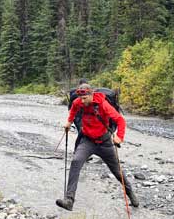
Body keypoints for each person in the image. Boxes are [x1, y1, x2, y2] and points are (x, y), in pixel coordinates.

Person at [56, 83, 139, 211]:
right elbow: (73, 110)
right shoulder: (78, 102)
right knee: (76, 161)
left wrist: (119, 137)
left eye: (85, 98)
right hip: (87, 141)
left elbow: (120, 120)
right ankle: (69, 200)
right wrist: (69, 121)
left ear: (91, 95)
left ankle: (131, 195)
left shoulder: (103, 104)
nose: (82, 101)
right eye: (80, 98)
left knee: (117, 173)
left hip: (104, 143)